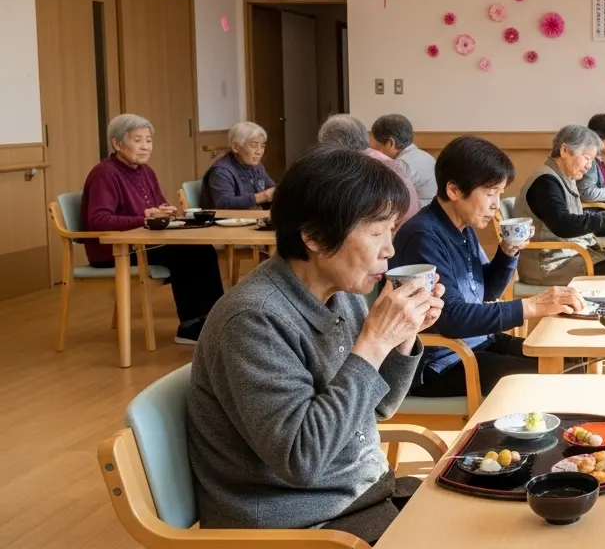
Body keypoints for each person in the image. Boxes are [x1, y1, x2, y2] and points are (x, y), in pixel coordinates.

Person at [187, 145, 442, 545]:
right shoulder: (253, 319)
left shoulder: (343, 293)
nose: (390, 249)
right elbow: (301, 459)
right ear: (314, 237)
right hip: (302, 526)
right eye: (376, 232)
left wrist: (403, 334)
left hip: (363, 496)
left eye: (391, 230)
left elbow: (379, 406)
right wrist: (374, 342)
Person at [394, 135, 587, 395]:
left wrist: (508, 252)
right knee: (556, 375)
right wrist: (532, 306)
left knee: (573, 362)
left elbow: (486, 292)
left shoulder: (461, 226)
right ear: (454, 191)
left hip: (476, 342)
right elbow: (452, 318)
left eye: (500, 194)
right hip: (442, 361)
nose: (496, 204)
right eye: (490, 193)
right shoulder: (423, 236)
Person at [81, 113, 225, 344]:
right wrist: (145, 218)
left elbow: (156, 205)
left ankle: (216, 322)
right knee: (185, 252)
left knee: (202, 249)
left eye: (148, 140)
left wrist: (165, 210)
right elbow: (99, 220)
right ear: (117, 143)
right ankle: (189, 327)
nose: (145, 147)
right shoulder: (104, 173)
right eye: (137, 140)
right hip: (116, 250)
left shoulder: (146, 171)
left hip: (145, 243)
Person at [511, 125, 605, 285]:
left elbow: (571, 220)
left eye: (592, 159)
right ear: (565, 151)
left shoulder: (563, 177)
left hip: (571, 255)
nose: (589, 165)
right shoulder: (545, 182)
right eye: (587, 158)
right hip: (551, 266)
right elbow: (563, 224)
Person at [319, 113, 420, 222]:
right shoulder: (377, 158)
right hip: (410, 224)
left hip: (395, 228)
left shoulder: (356, 168)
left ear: (336, 147)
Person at [200, 121, 276, 209]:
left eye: (262, 146)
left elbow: (272, 188)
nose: (259, 151)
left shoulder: (257, 166)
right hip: (227, 217)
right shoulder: (221, 171)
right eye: (253, 145)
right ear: (236, 147)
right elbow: (224, 202)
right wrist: (261, 197)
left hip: (254, 215)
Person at [371, 113, 437, 209]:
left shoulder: (403, 164)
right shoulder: (422, 155)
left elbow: (386, 197)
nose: (373, 150)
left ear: (391, 143)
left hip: (421, 212)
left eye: (375, 145)